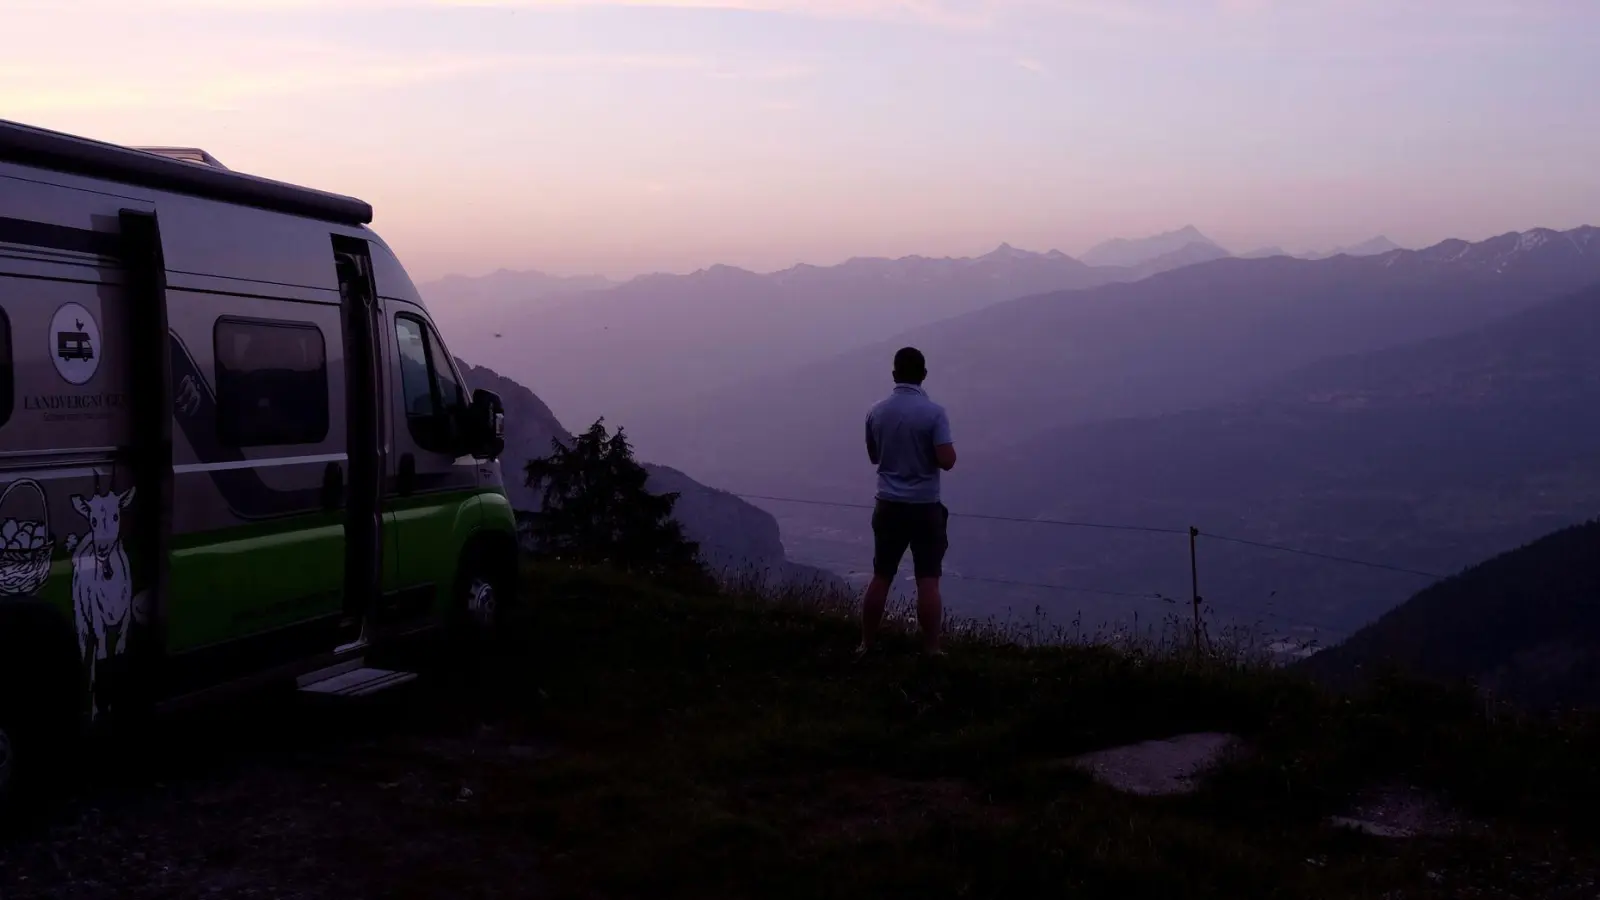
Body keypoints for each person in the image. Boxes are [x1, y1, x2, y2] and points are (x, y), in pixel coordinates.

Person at [859, 346, 956, 656]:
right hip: (925, 506)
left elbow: (875, 456)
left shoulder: (876, 411)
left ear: (894, 375)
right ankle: (931, 649)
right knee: (928, 579)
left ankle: (867, 643)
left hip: (887, 503)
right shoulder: (934, 413)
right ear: (924, 375)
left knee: (881, 575)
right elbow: (947, 460)